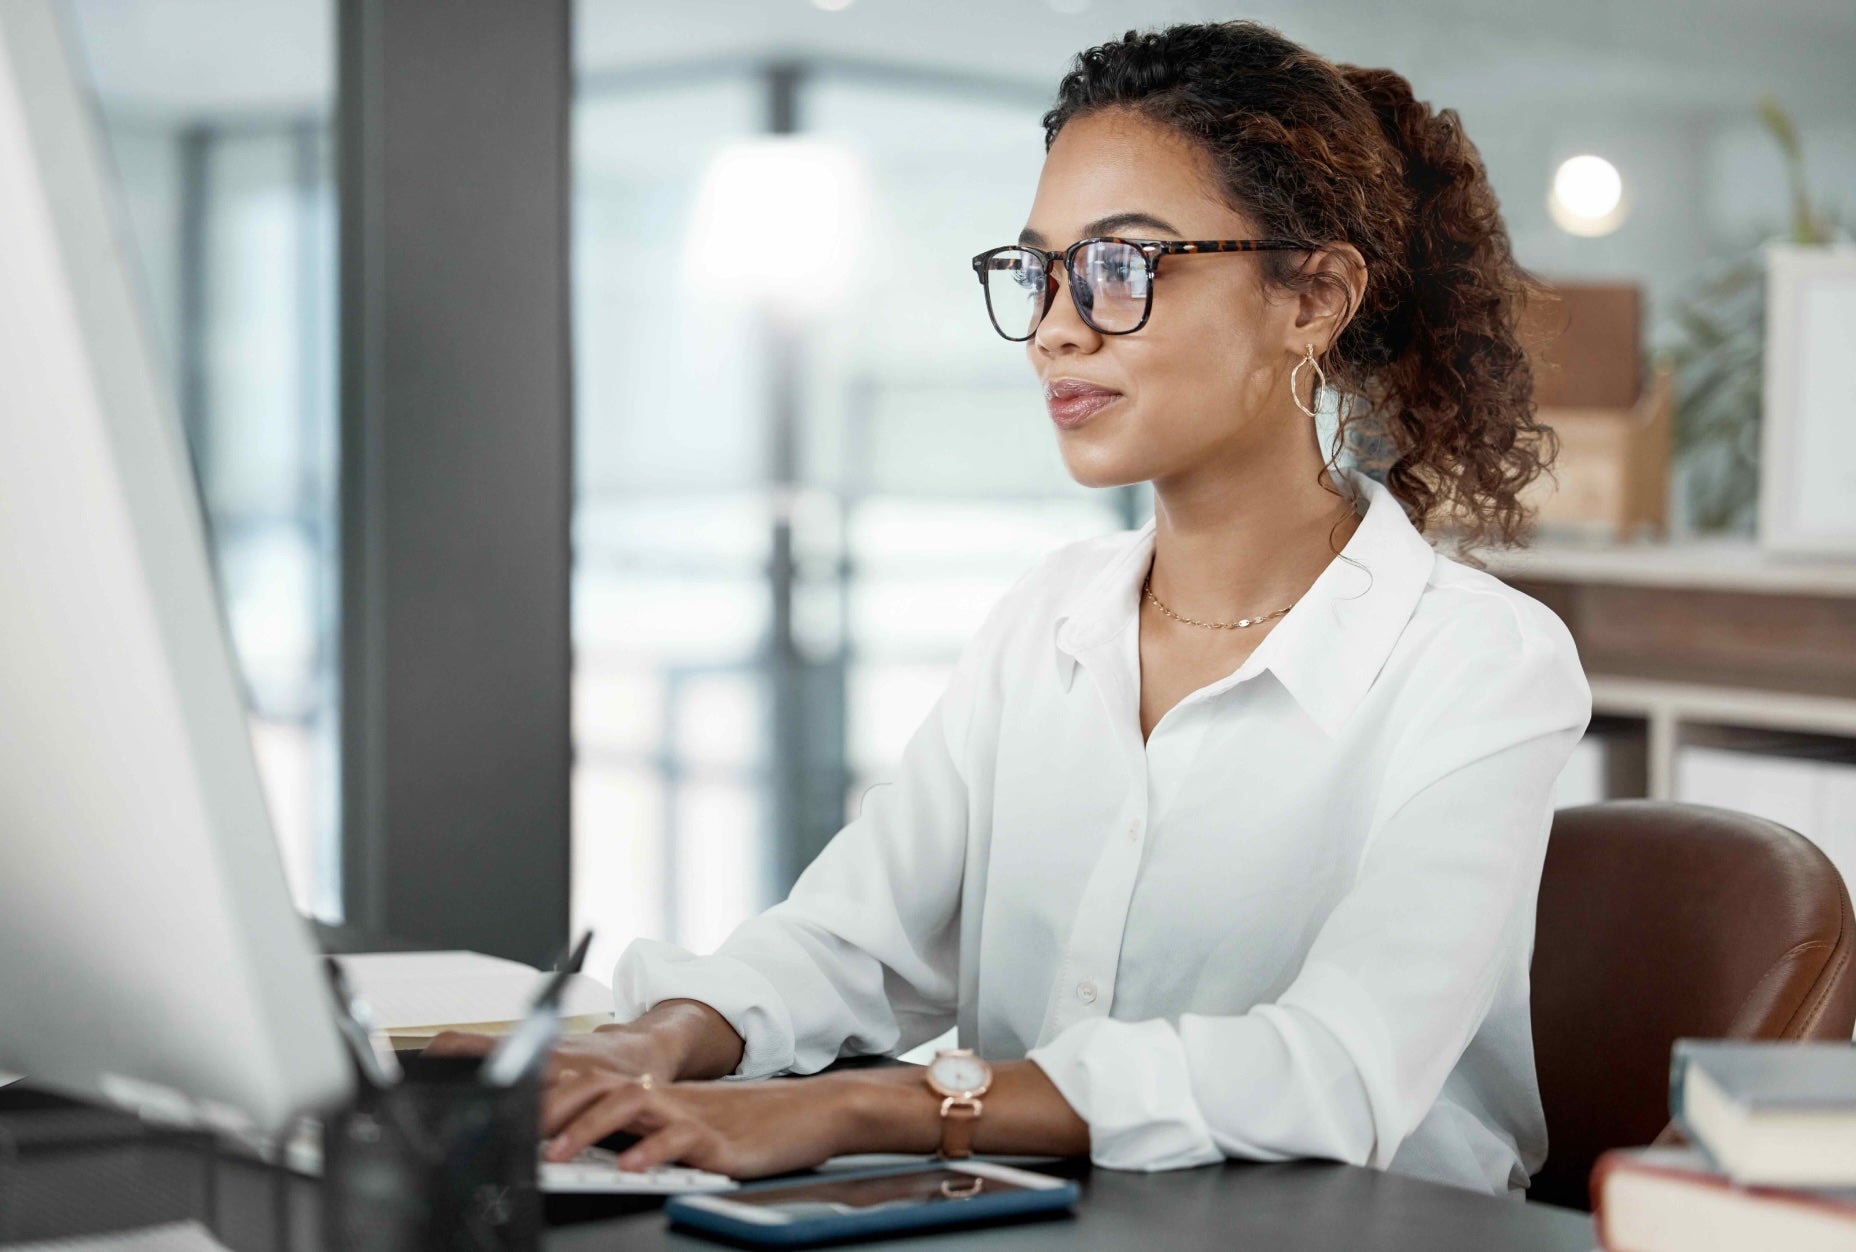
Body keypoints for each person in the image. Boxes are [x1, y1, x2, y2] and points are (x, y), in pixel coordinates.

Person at [429, 18, 1592, 1197]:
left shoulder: (1478, 661)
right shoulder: (1050, 616)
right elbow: (854, 937)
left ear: (1313, 298)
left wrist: (861, 1106)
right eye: (1037, 269)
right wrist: (646, 1044)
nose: (1053, 328)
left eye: (1119, 268)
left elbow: (1335, 1069)